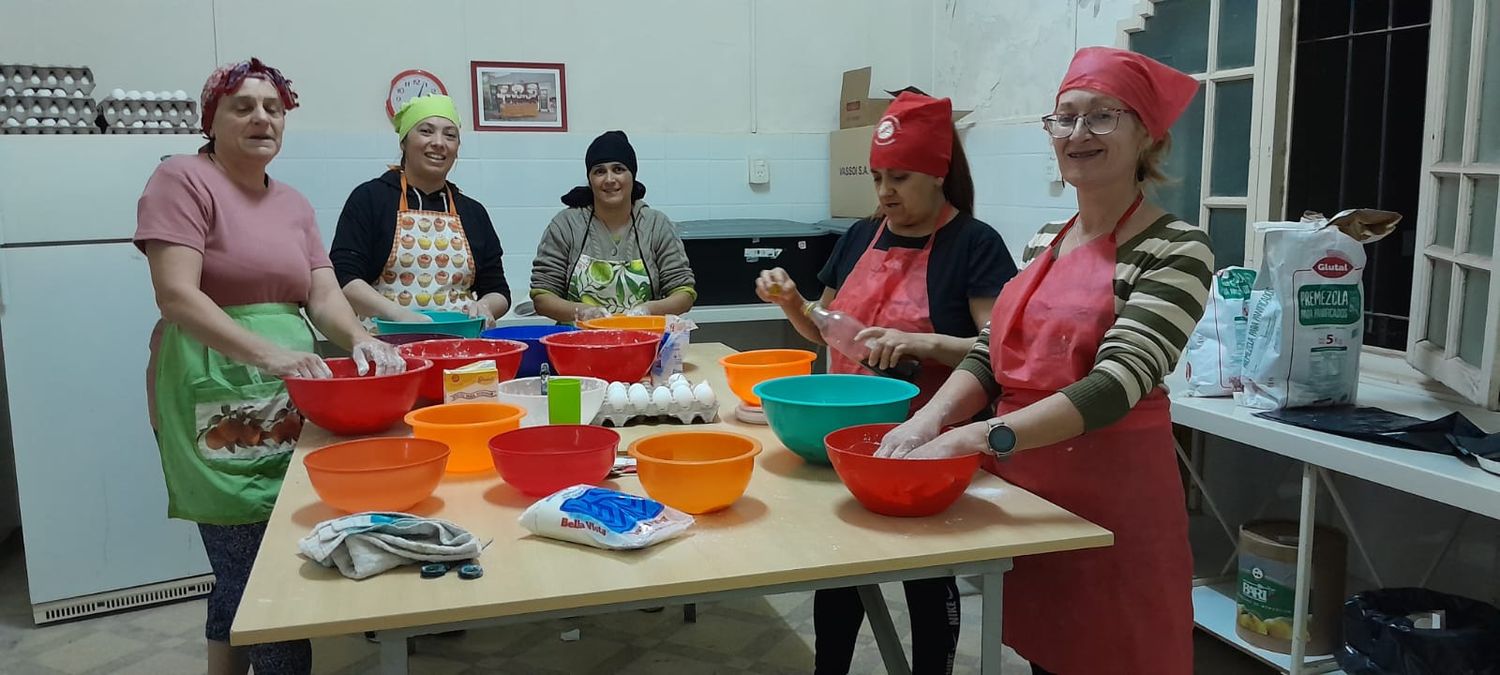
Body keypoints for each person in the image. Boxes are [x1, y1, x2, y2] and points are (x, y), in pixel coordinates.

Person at [876, 47, 1211, 675]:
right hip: (1031, 502)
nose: (1079, 134)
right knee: (1045, 658)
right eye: (1065, 118)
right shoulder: (1043, 242)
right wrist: (928, 422)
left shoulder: (1177, 247)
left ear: (1147, 135)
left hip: (1113, 510)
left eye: (1103, 117)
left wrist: (978, 436)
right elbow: (990, 355)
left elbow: (1118, 384)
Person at [135, 58, 404, 675]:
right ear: (213, 118)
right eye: (244, 106)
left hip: (292, 393)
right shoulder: (182, 180)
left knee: (264, 556)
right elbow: (176, 295)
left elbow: (322, 294)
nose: (262, 117)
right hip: (215, 387)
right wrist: (271, 354)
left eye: (274, 108)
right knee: (258, 569)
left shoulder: (292, 202)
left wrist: (360, 338)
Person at [755, 91, 1018, 675]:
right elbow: (823, 332)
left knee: (928, 578)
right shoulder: (860, 237)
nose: (884, 194)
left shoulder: (975, 244)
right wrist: (791, 300)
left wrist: (922, 343)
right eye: (877, 178)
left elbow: (1000, 351)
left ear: (938, 173)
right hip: (847, 441)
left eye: (899, 178)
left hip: (931, 446)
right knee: (840, 569)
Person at [330, 94, 510, 325]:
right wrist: (400, 315)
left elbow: (497, 289)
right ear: (404, 142)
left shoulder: (473, 212)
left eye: (450, 135)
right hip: (387, 343)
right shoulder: (371, 199)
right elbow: (344, 277)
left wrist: (484, 306)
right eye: (426, 131)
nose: (439, 142)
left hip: (460, 344)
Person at [530, 130, 696, 323]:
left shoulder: (656, 225)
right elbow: (542, 296)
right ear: (590, 179)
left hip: (643, 343)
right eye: (599, 171)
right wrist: (582, 312)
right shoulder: (566, 224)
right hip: (576, 345)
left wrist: (647, 310)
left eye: (618, 169)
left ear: (632, 176)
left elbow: (683, 293)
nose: (609, 179)